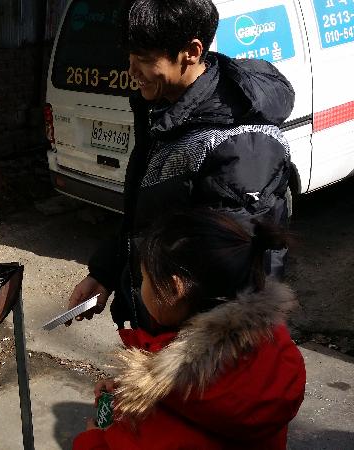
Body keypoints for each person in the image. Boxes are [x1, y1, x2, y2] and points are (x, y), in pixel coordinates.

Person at [67, 0, 294, 333]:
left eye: (144, 59)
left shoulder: (239, 144)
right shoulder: (166, 109)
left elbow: (233, 282)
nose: (131, 71)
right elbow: (150, 217)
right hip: (159, 319)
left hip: (197, 343)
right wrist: (103, 274)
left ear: (191, 51)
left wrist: (174, 357)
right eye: (130, 57)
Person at [73, 209, 305, 449]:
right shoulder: (271, 349)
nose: (142, 288)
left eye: (144, 278)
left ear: (174, 289)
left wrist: (94, 440)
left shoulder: (174, 385)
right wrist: (130, 390)